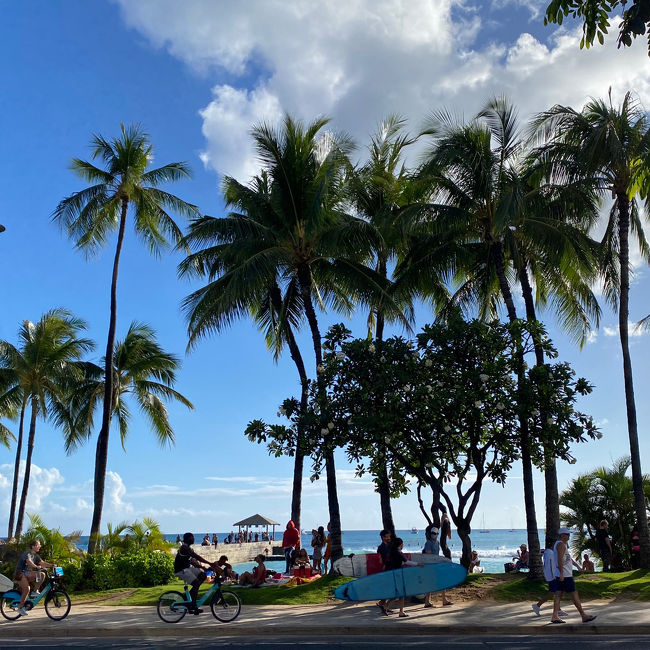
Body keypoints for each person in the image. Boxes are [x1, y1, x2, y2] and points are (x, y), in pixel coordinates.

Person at [550, 528, 597, 624]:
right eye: (566, 534)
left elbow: (568, 558)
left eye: (568, 534)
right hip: (565, 575)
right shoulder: (560, 545)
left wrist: (577, 566)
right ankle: (583, 615)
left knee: (558, 595)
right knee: (574, 594)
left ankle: (554, 616)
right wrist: (562, 573)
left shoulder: (562, 545)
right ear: (562, 535)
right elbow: (559, 560)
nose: (568, 536)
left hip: (563, 574)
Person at [174, 532, 215, 615]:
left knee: (203, 575)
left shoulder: (188, 548)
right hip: (181, 570)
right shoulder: (184, 547)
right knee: (196, 583)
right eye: (192, 537)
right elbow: (196, 556)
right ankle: (193, 605)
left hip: (187, 568)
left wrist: (203, 568)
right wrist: (209, 563)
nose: (194, 539)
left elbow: (193, 561)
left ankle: (188, 598)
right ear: (188, 539)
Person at [384, 537, 423, 617]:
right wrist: (418, 564)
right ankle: (401, 612)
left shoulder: (393, 552)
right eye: (402, 544)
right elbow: (407, 562)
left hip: (394, 574)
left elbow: (397, 563)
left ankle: (386, 606)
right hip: (398, 575)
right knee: (401, 594)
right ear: (400, 544)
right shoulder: (398, 552)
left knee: (397, 593)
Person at [14, 540, 54, 617]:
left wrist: (52, 565)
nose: (40, 546)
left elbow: (42, 563)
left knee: (42, 575)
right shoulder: (27, 553)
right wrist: (36, 567)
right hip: (20, 574)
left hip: (27, 574)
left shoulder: (35, 555)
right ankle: (20, 607)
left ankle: (35, 591)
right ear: (33, 546)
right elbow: (28, 561)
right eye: (38, 545)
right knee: (27, 589)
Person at [532, 536, 569, 618]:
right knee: (553, 592)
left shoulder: (551, 552)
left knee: (560, 591)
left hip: (555, 575)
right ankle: (537, 605)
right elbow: (549, 566)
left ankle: (558, 609)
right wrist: (553, 577)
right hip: (553, 576)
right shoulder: (549, 553)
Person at [422, 525, 453, 608]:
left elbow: (436, 554)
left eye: (435, 533)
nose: (434, 534)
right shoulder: (428, 543)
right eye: (433, 533)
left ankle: (441, 600)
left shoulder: (437, 543)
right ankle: (430, 601)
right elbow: (428, 555)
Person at [376, 529, 393, 614]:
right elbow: (379, 560)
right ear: (382, 537)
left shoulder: (390, 546)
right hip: (385, 570)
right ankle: (382, 604)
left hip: (391, 569)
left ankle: (384, 606)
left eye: (389, 536)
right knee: (388, 590)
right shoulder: (381, 547)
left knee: (390, 590)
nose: (388, 538)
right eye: (386, 537)